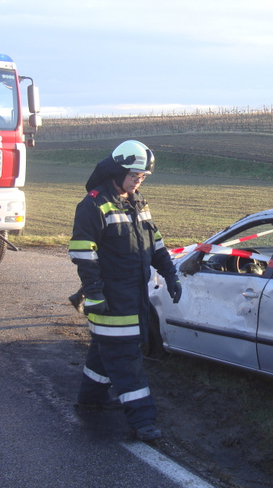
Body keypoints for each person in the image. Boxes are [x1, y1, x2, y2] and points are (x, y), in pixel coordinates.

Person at [68, 140, 181, 442]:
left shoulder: (138, 202)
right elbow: (82, 253)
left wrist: (170, 274)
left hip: (134, 293)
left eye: (142, 177)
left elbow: (155, 243)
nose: (138, 181)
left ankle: (91, 398)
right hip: (110, 297)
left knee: (105, 349)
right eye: (134, 175)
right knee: (126, 357)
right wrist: (94, 294)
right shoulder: (93, 205)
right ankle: (143, 420)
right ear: (116, 171)